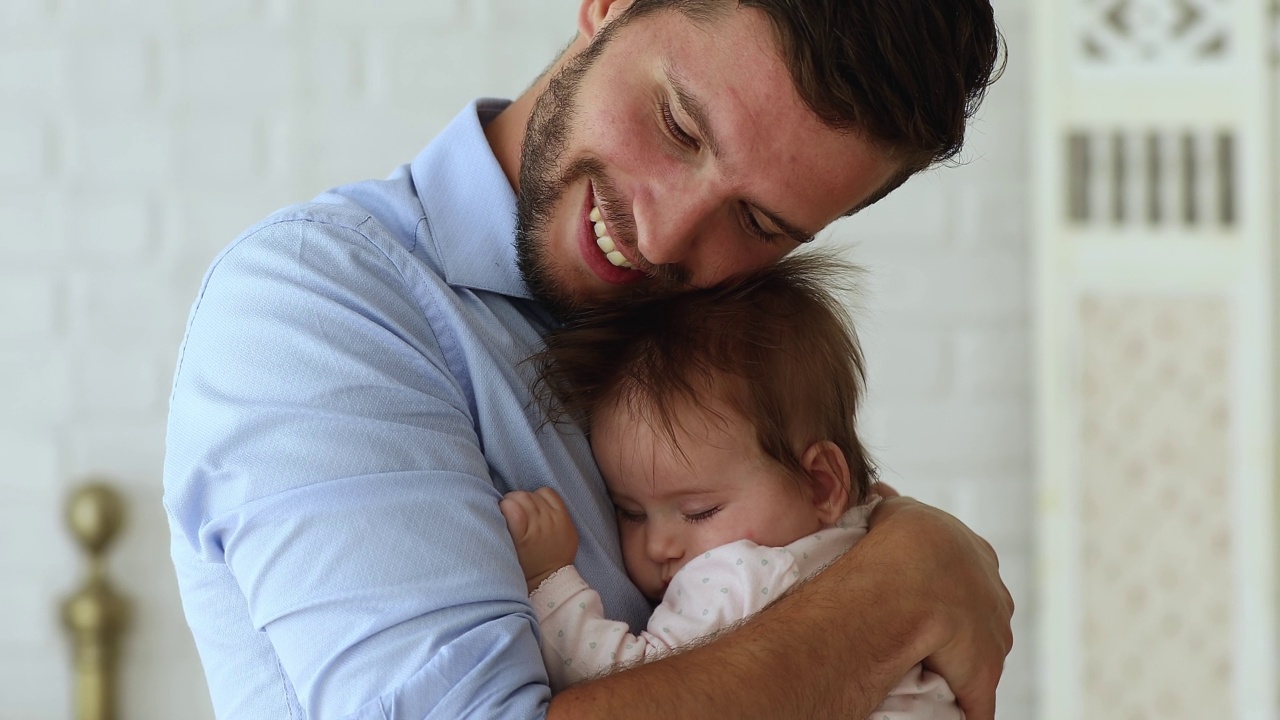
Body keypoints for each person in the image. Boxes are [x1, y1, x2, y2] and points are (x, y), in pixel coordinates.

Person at [163, 1, 1012, 718]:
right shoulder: (317, 307)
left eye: (757, 224)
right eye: (678, 127)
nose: (665, 234)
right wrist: (900, 592)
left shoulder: (717, 350)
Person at [499, 255, 961, 720]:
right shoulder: (868, 530)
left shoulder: (737, 575)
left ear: (821, 485)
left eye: (699, 511)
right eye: (630, 512)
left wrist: (549, 579)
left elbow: (623, 680)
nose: (659, 545)